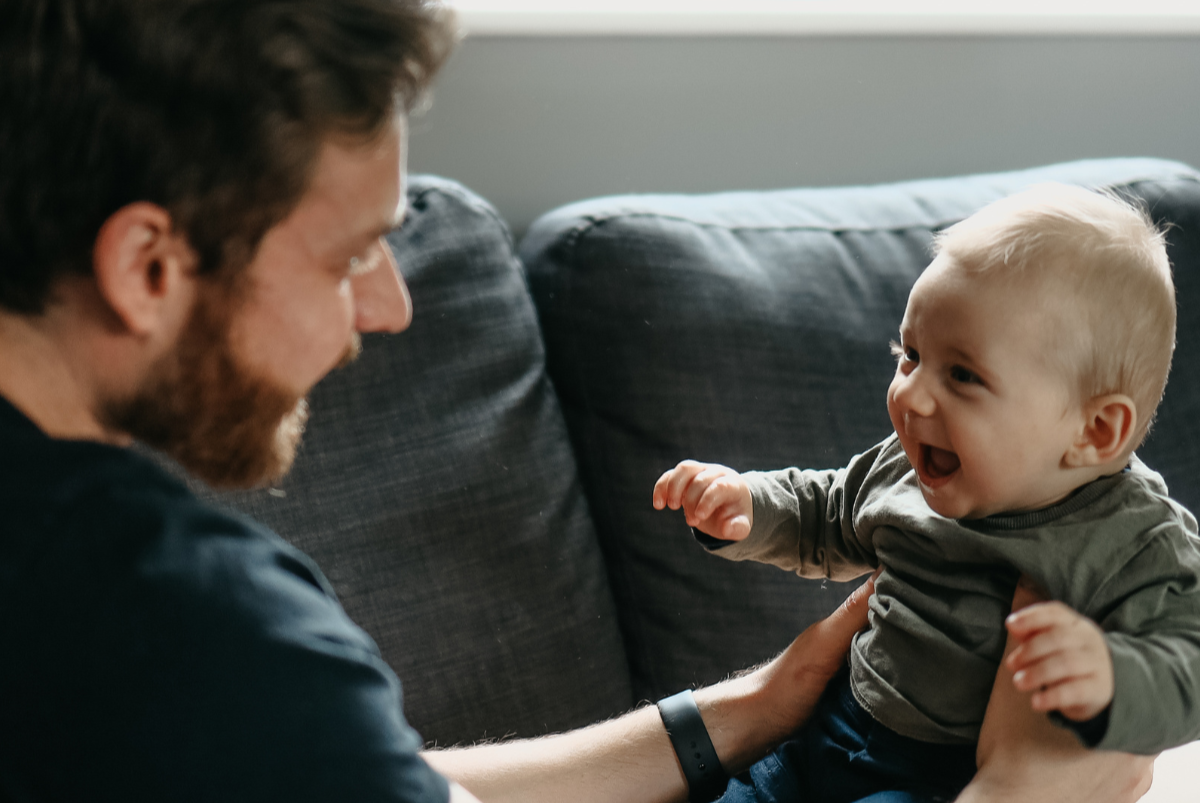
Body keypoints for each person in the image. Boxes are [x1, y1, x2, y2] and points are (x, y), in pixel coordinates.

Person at [0, 2, 1155, 802]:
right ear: (149, 266)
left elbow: (361, 774)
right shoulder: (185, 620)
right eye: (349, 255)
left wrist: (754, 704)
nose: (391, 306)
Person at [653, 184, 1199, 802]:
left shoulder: (1136, 539)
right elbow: (830, 512)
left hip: (940, 782)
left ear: (1094, 431)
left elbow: (1190, 665)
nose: (909, 395)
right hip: (824, 737)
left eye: (962, 374)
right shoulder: (910, 465)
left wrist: (1112, 682)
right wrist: (749, 506)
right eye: (910, 355)